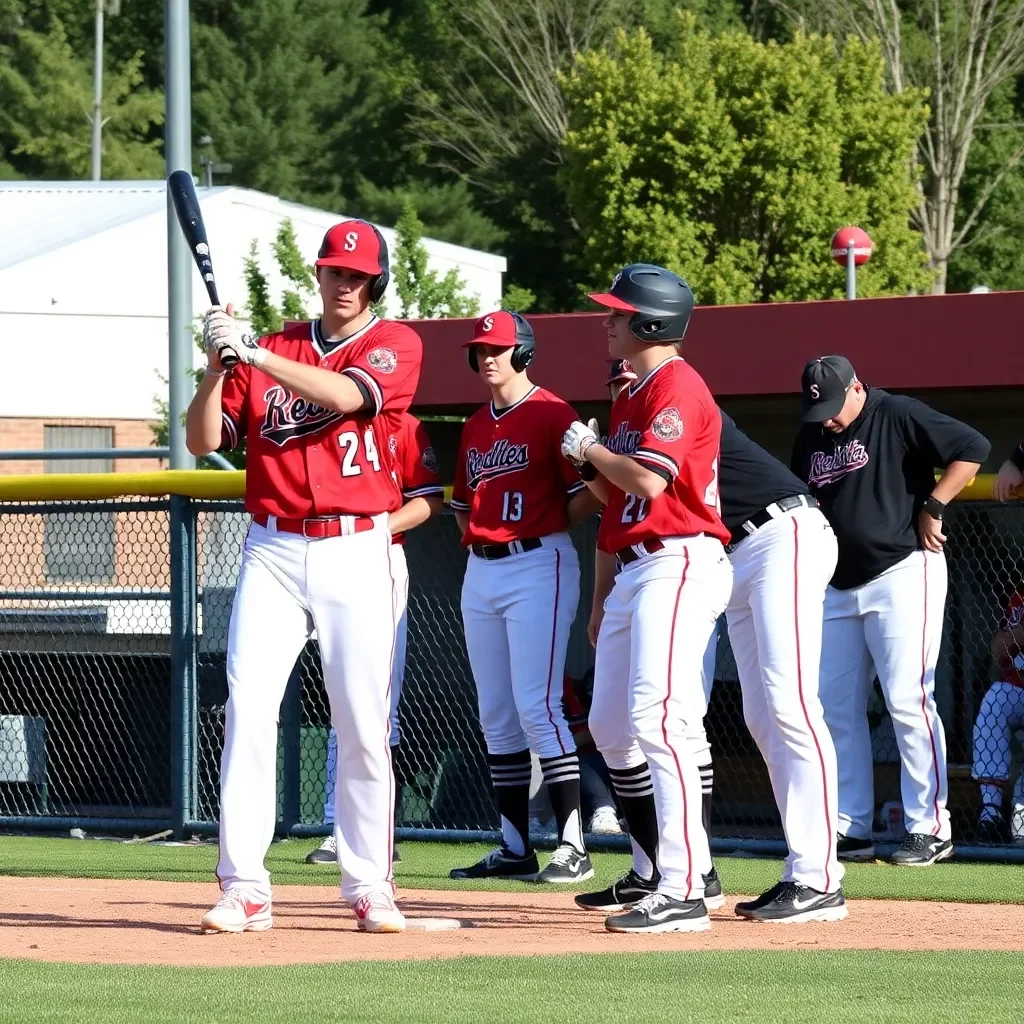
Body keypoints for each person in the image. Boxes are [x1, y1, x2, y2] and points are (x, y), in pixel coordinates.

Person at [186, 219, 420, 934]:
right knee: (248, 710)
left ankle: (369, 883)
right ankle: (245, 886)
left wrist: (253, 351)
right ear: (317, 276)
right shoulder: (272, 349)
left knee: (361, 720)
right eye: (333, 272)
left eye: (356, 275)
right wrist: (219, 364)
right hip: (273, 548)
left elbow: (348, 396)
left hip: (358, 547)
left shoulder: (394, 343)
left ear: (374, 281)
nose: (343, 284)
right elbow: (202, 441)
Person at [563, 264, 733, 933]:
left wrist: (595, 450)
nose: (608, 319)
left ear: (652, 324)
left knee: (659, 720)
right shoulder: (634, 394)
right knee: (609, 726)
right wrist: (594, 460)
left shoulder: (678, 386)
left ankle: (687, 886)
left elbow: (649, 482)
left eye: (619, 312)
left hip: (679, 558)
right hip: (636, 567)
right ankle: (654, 867)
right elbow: (618, 496)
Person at [792, 356, 990, 867]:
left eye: (835, 407)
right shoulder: (813, 431)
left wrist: (935, 503)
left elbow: (973, 447)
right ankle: (850, 827)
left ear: (857, 387)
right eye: (821, 411)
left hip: (903, 569)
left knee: (907, 700)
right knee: (835, 708)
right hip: (836, 584)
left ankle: (930, 827)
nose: (829, 419)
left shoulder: (895, 412)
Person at [448, 311, 601, 884]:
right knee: (497, 714)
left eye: (498, 348)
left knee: (538, 704)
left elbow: (597, 489)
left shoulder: (550, 412)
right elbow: (463, 503)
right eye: (479, 349)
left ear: (524, 353)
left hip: (539, 560)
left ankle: (572, 847)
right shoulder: (473, 424)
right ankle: (514, 846)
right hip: (481, 568)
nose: (487, 357)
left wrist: (551, 518)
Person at [705, 410, 845, 922]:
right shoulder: (636, 420)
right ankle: (800, 868)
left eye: (627, 377)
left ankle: (821, 878)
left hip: (780, 532)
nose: (621, 385)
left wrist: (591, 456)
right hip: (736, 553)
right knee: (763, 718)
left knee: (792, 706)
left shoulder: (679, 394)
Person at [306, 412, 444, 865]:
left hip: (381, 557)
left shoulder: (405, 425)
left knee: (380, 704)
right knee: (337, 702)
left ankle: (374, 829)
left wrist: (373, 531)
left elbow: (427, 499)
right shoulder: (319, 415)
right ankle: (336, 825)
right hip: (313, 555)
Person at [972, 585, 1024, 846]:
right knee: (993, 703)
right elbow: (999, 648)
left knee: (1020, 835)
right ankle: (990, 812)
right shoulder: (1020, 597)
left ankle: (1020, 807)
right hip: (1017, 688)